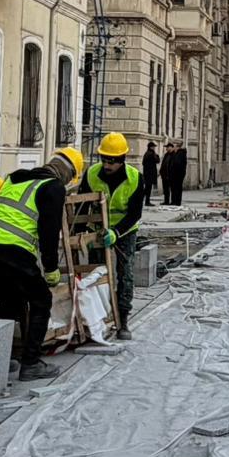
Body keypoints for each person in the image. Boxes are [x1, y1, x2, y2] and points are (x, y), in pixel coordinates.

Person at [0, 148, 83, 381]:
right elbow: (49, 233)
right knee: (41, 300)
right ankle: (31, 363)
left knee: (10, 301)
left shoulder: (16, 177)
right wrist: (51, 269)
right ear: (69, 174)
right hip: (12, 249)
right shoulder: (53, 187)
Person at [81, 133, 145, 340]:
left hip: (125, 231)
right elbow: (81, 205)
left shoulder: (135, 178)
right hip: (98, 230)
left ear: (122, 159)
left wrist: (116, 232)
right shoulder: (91, 174)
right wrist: (79, 233)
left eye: (112, 161)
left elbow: (135, 213)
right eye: (104, 160)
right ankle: (98, 318)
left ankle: (123, 318)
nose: (107, 165)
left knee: (125, 273)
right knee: (96, 274)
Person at [169, 141, 188, 208]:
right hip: (177, 174)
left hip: (178, 174)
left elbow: (177, 163)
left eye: (174, 147)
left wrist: (173, 170)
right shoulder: (177, 154)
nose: (173, 148)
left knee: (177, 188)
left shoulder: (180, 154)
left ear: (177, 147)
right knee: (175, 188)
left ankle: (177, 201)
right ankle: (174, 201)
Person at [141, 141, 159, 207]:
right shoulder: (151, 154)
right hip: (150, 174)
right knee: (148, 189)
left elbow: (143, 163)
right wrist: (157, 155)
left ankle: (143, 200)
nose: (154, 148)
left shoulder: (146, 153)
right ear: (151, 147)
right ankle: (146, 201)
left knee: (147, 188)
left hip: (147, 174)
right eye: (153, 147)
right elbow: (157, 160)